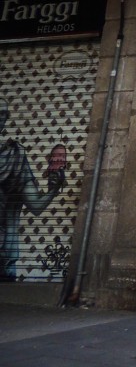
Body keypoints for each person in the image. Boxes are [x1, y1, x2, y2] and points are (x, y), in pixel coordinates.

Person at [1, 99, 67, 280]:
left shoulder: (15, 155)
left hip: (4, 258)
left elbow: (36, 206)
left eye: (2, 114)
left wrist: (54, 189)